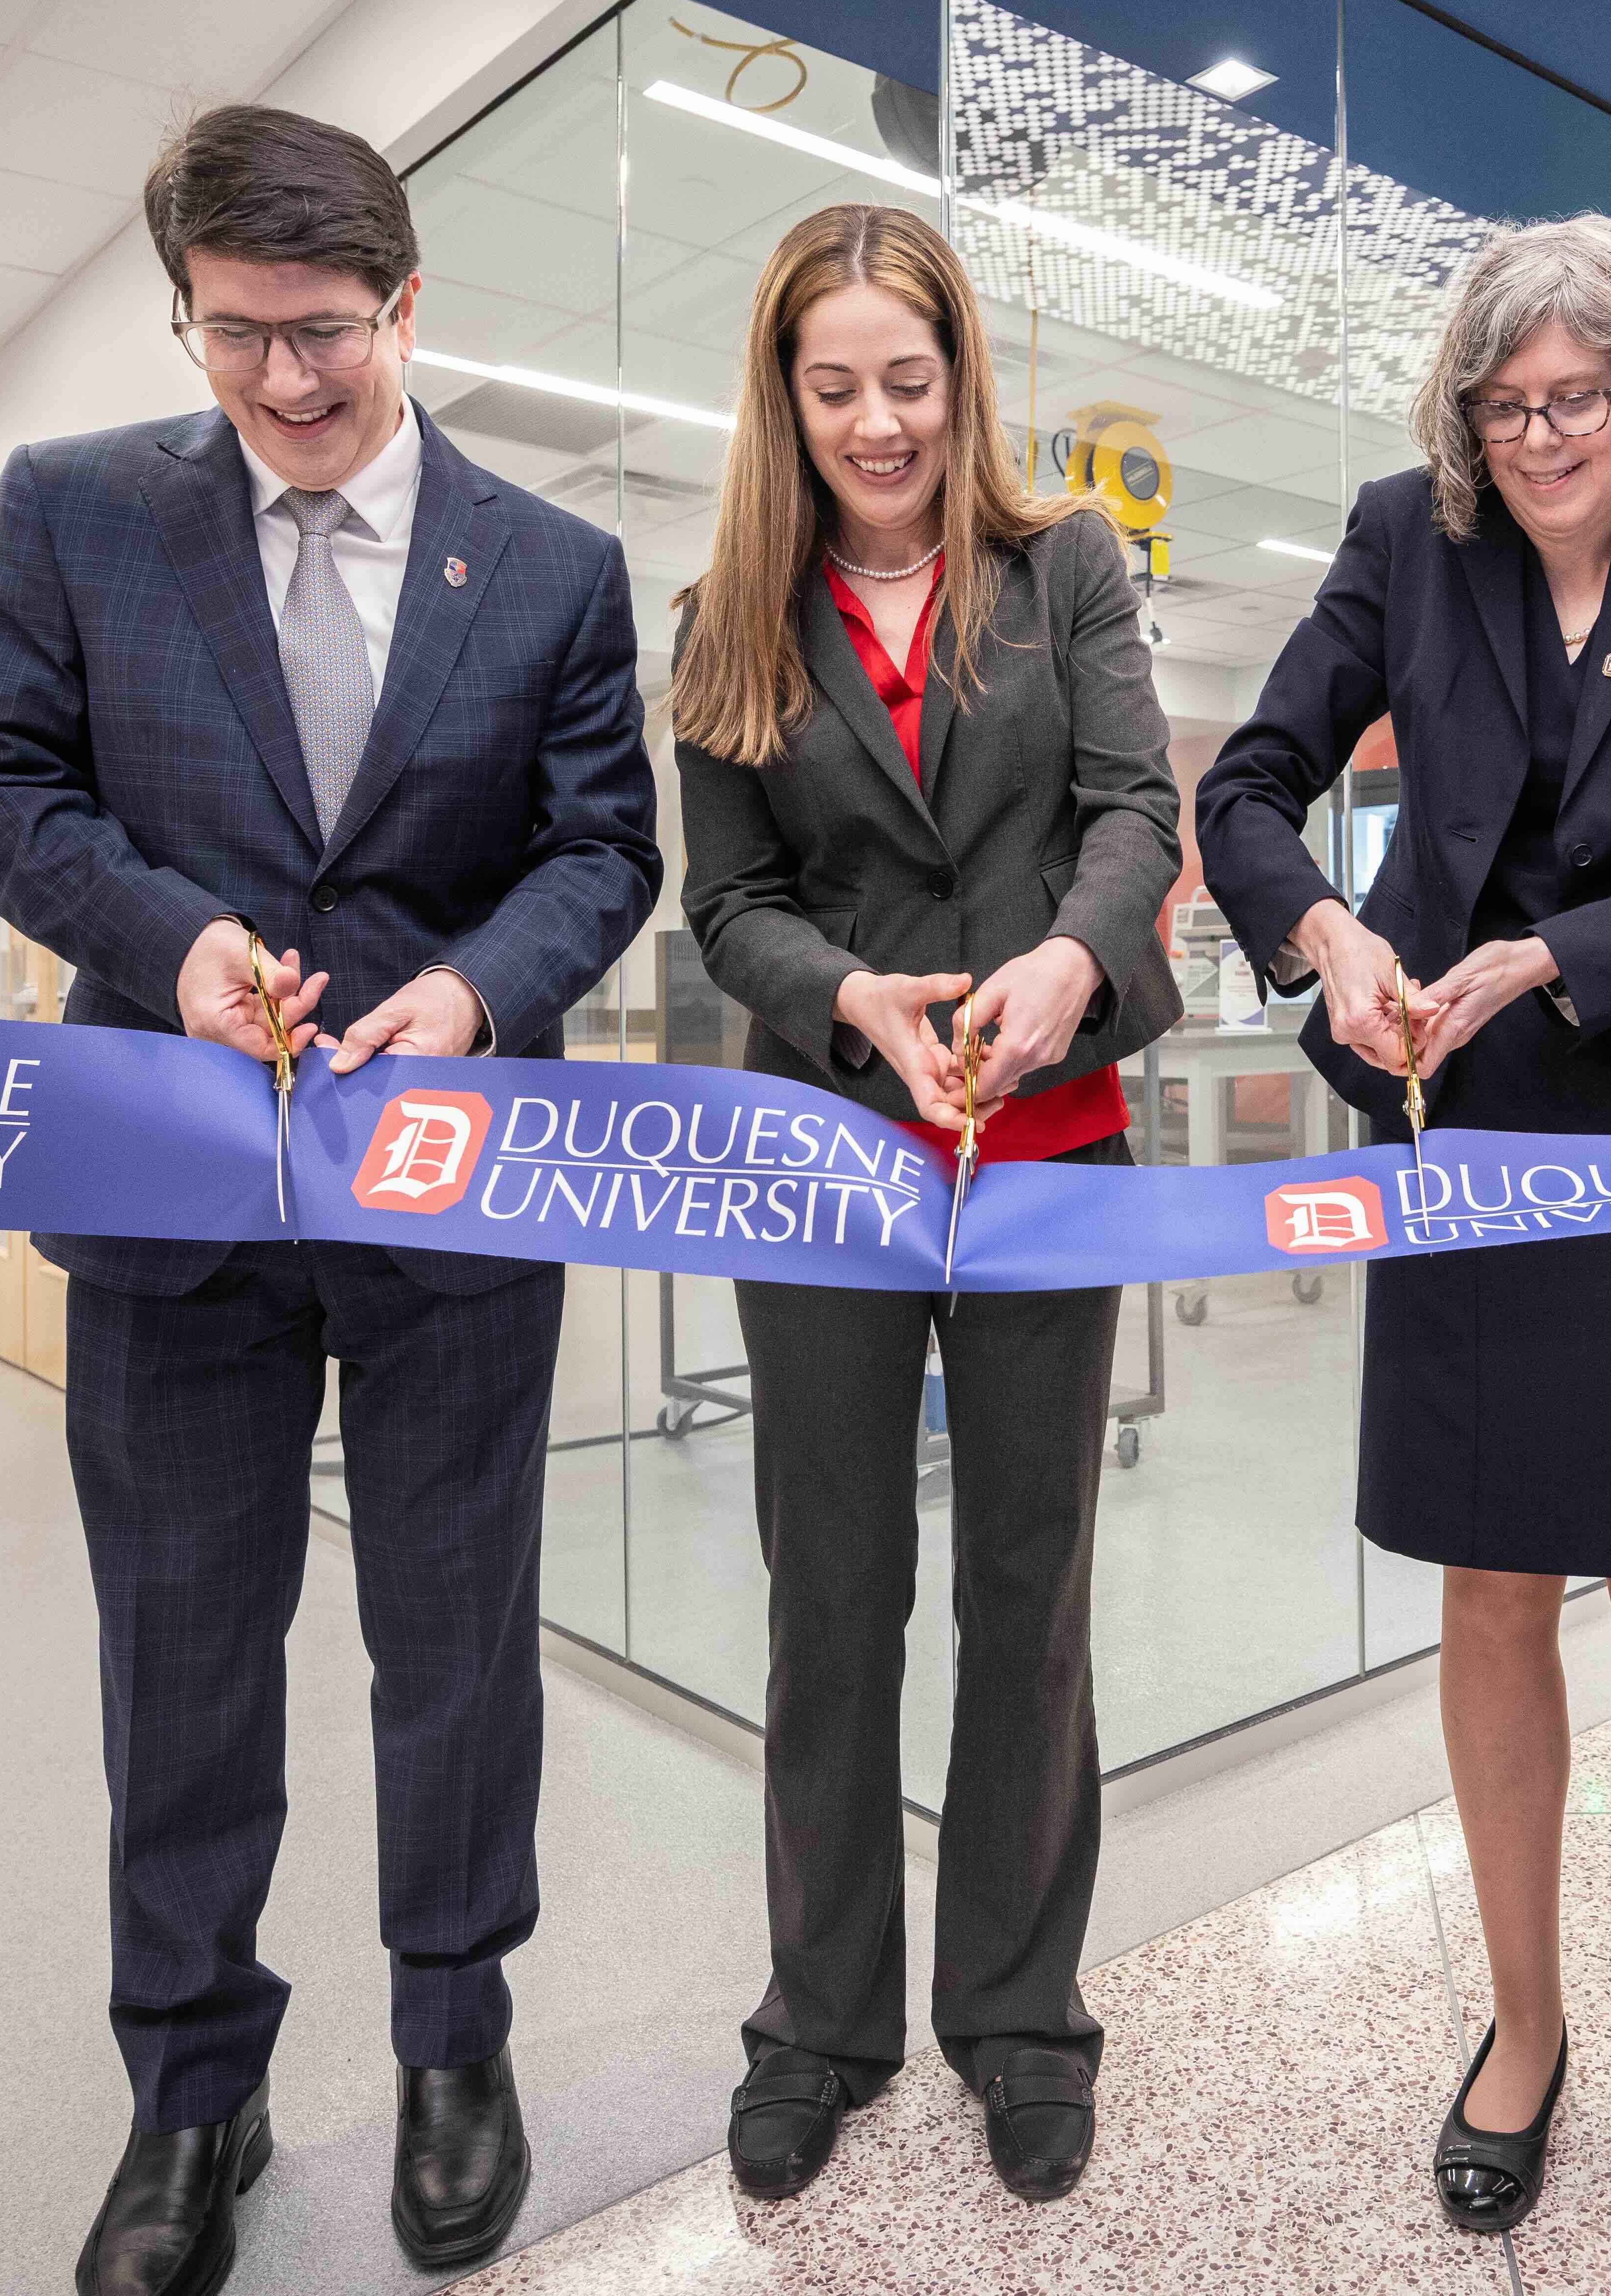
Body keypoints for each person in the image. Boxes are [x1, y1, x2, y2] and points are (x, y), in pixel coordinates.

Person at [0, 104, 659, 2296]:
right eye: (234, 336)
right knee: (181, 1662)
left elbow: (602, 849)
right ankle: (190, 2092)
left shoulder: (549, 565)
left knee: (450, 1650)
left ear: (408, 301)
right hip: (172, 1191)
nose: (285, 382)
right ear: (187, 315)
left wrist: (472, 988)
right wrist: (173, 945)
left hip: (448, 1188)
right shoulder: (72, 516)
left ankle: (456, 2045)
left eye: (324, 331)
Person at [1196, 216, 1611, 2265]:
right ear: (1459, 412)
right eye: (1504, 401)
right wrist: (1332, 931)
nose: (1540, 433)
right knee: (1490, 1588)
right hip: (1463, 1124)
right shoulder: (1408, 535)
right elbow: (1255, 786)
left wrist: (1550, 953)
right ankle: (1527, 2026)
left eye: (1574, 396)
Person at [669, 203, 1182, 2208]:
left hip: (1047, 1155)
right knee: (832, 1594)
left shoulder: (1064, 563)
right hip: (825, 1161)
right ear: (781, 399)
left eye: (908, 378)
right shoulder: (731, 602)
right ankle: (818, 2015)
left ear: (960, 375)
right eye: (833, 388)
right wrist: (850, 1004)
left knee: (1027, 1588)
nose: (876, 423)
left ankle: (1021, 2012)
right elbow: (729, 905)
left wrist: (1066, 970)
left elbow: (1133, 809)